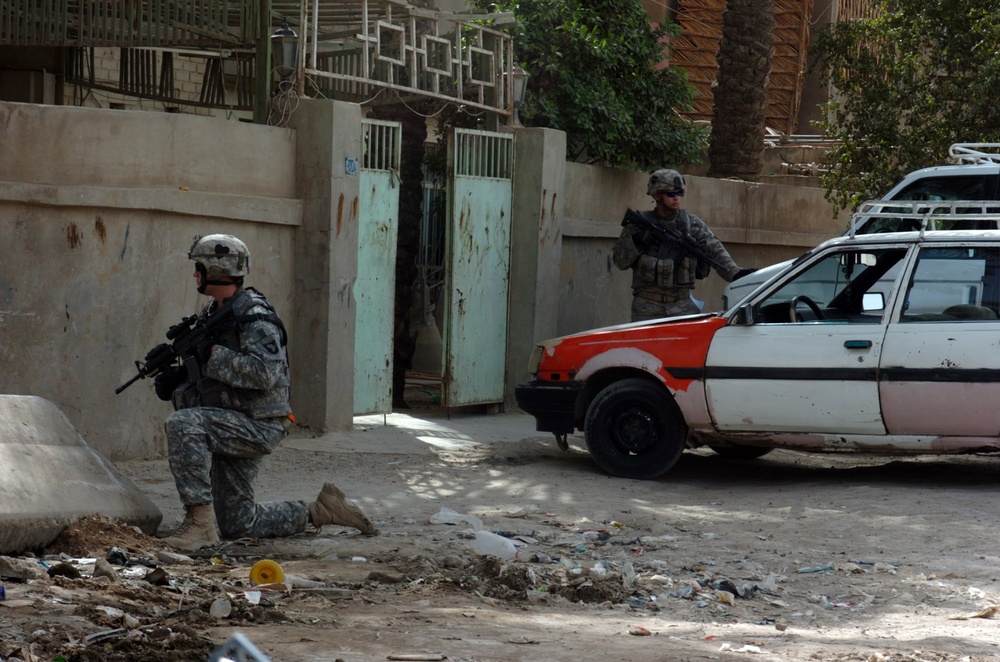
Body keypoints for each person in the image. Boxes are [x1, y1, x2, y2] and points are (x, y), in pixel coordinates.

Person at [152, 234, 378, 551]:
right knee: (237, 524)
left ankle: (200, 526)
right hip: (232, 419)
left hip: (259, 424)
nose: (195, 274)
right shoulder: (214, 314)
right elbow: (215, 381)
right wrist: (177, 383)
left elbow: (265, 373)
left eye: (198, 267)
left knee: (183, 424)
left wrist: (211, 354)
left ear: (216, 271)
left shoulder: (254, 317)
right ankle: (322, 510)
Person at [612, 169, 755, 321]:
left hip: (682, 306)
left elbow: (715, 250)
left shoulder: (691, 224)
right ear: (657, 195)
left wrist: (735, 273)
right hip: (647, 308)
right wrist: (636, 242)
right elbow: (620, 262)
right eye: (671, 194)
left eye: (679, 193)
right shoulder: (638, 225)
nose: (677, 198)